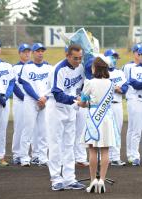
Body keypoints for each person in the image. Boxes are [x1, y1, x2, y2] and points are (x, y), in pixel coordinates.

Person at [47, 44, 86, 191]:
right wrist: (76, 101)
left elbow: (81, 88)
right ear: (67, 56)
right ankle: (56, 179)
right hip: (56, 108)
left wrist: (81, 98)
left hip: (71, 108)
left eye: (80, 58)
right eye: (75, 58)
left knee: (69, 144)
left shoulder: (81, 67)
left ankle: (69, 179)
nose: (78, 61)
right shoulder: (59, 69)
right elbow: (57, 94)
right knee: (55, 144)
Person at [81, 55, 119, 194]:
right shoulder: (111, 83)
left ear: (95, 68)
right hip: (107, 118)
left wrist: (80, 102)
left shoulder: (89, 83)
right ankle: (102, 180)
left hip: (93, 118)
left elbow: (83, 102)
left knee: (92, 150)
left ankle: (93, 181)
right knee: (105, 150)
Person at [19, 43, 51, 167]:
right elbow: (26, 85)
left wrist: (45, 98)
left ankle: (43, 157)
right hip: (31, 101)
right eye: (38, 51)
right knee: (28, 129)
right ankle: (24, 157)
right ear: (33, 53)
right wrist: (38, 98)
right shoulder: (27, 67)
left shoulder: (49, 68)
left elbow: (52, 86)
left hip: (45, 101)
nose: (40, 53)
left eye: (42, 50)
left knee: (44, 131)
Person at [104, 49, 128, 166]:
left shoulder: (120, 73)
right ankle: (103, 158)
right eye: (111, 57)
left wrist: (121, 90)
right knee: (104, 132)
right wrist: (112, 87)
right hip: (104, 106)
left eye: (115, 57)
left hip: (117, 104)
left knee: (117, 131)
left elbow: (126, 87)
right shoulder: (101, 73)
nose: (114, 59)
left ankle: (115, 157)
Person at [11, 43, 31, 165]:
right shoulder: (14, 68)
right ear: (20, 53)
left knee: (31, 129)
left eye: (28, 51)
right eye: (24, 52)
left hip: (32, 102)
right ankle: (17, 154)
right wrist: (25, 97)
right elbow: (13, 86)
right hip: (20, 101)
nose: (27, 54)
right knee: (19, 128)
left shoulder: (32, 67)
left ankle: (32, 154)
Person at [123, 44, 141, 163]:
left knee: (135, 127)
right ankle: (130, 153)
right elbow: (124, 81)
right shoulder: (128, 66)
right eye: (138, 53)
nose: (140, 55)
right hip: (132, 98)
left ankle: (131, 153)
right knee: (132, 127)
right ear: (134, 53)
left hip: (141, 99)